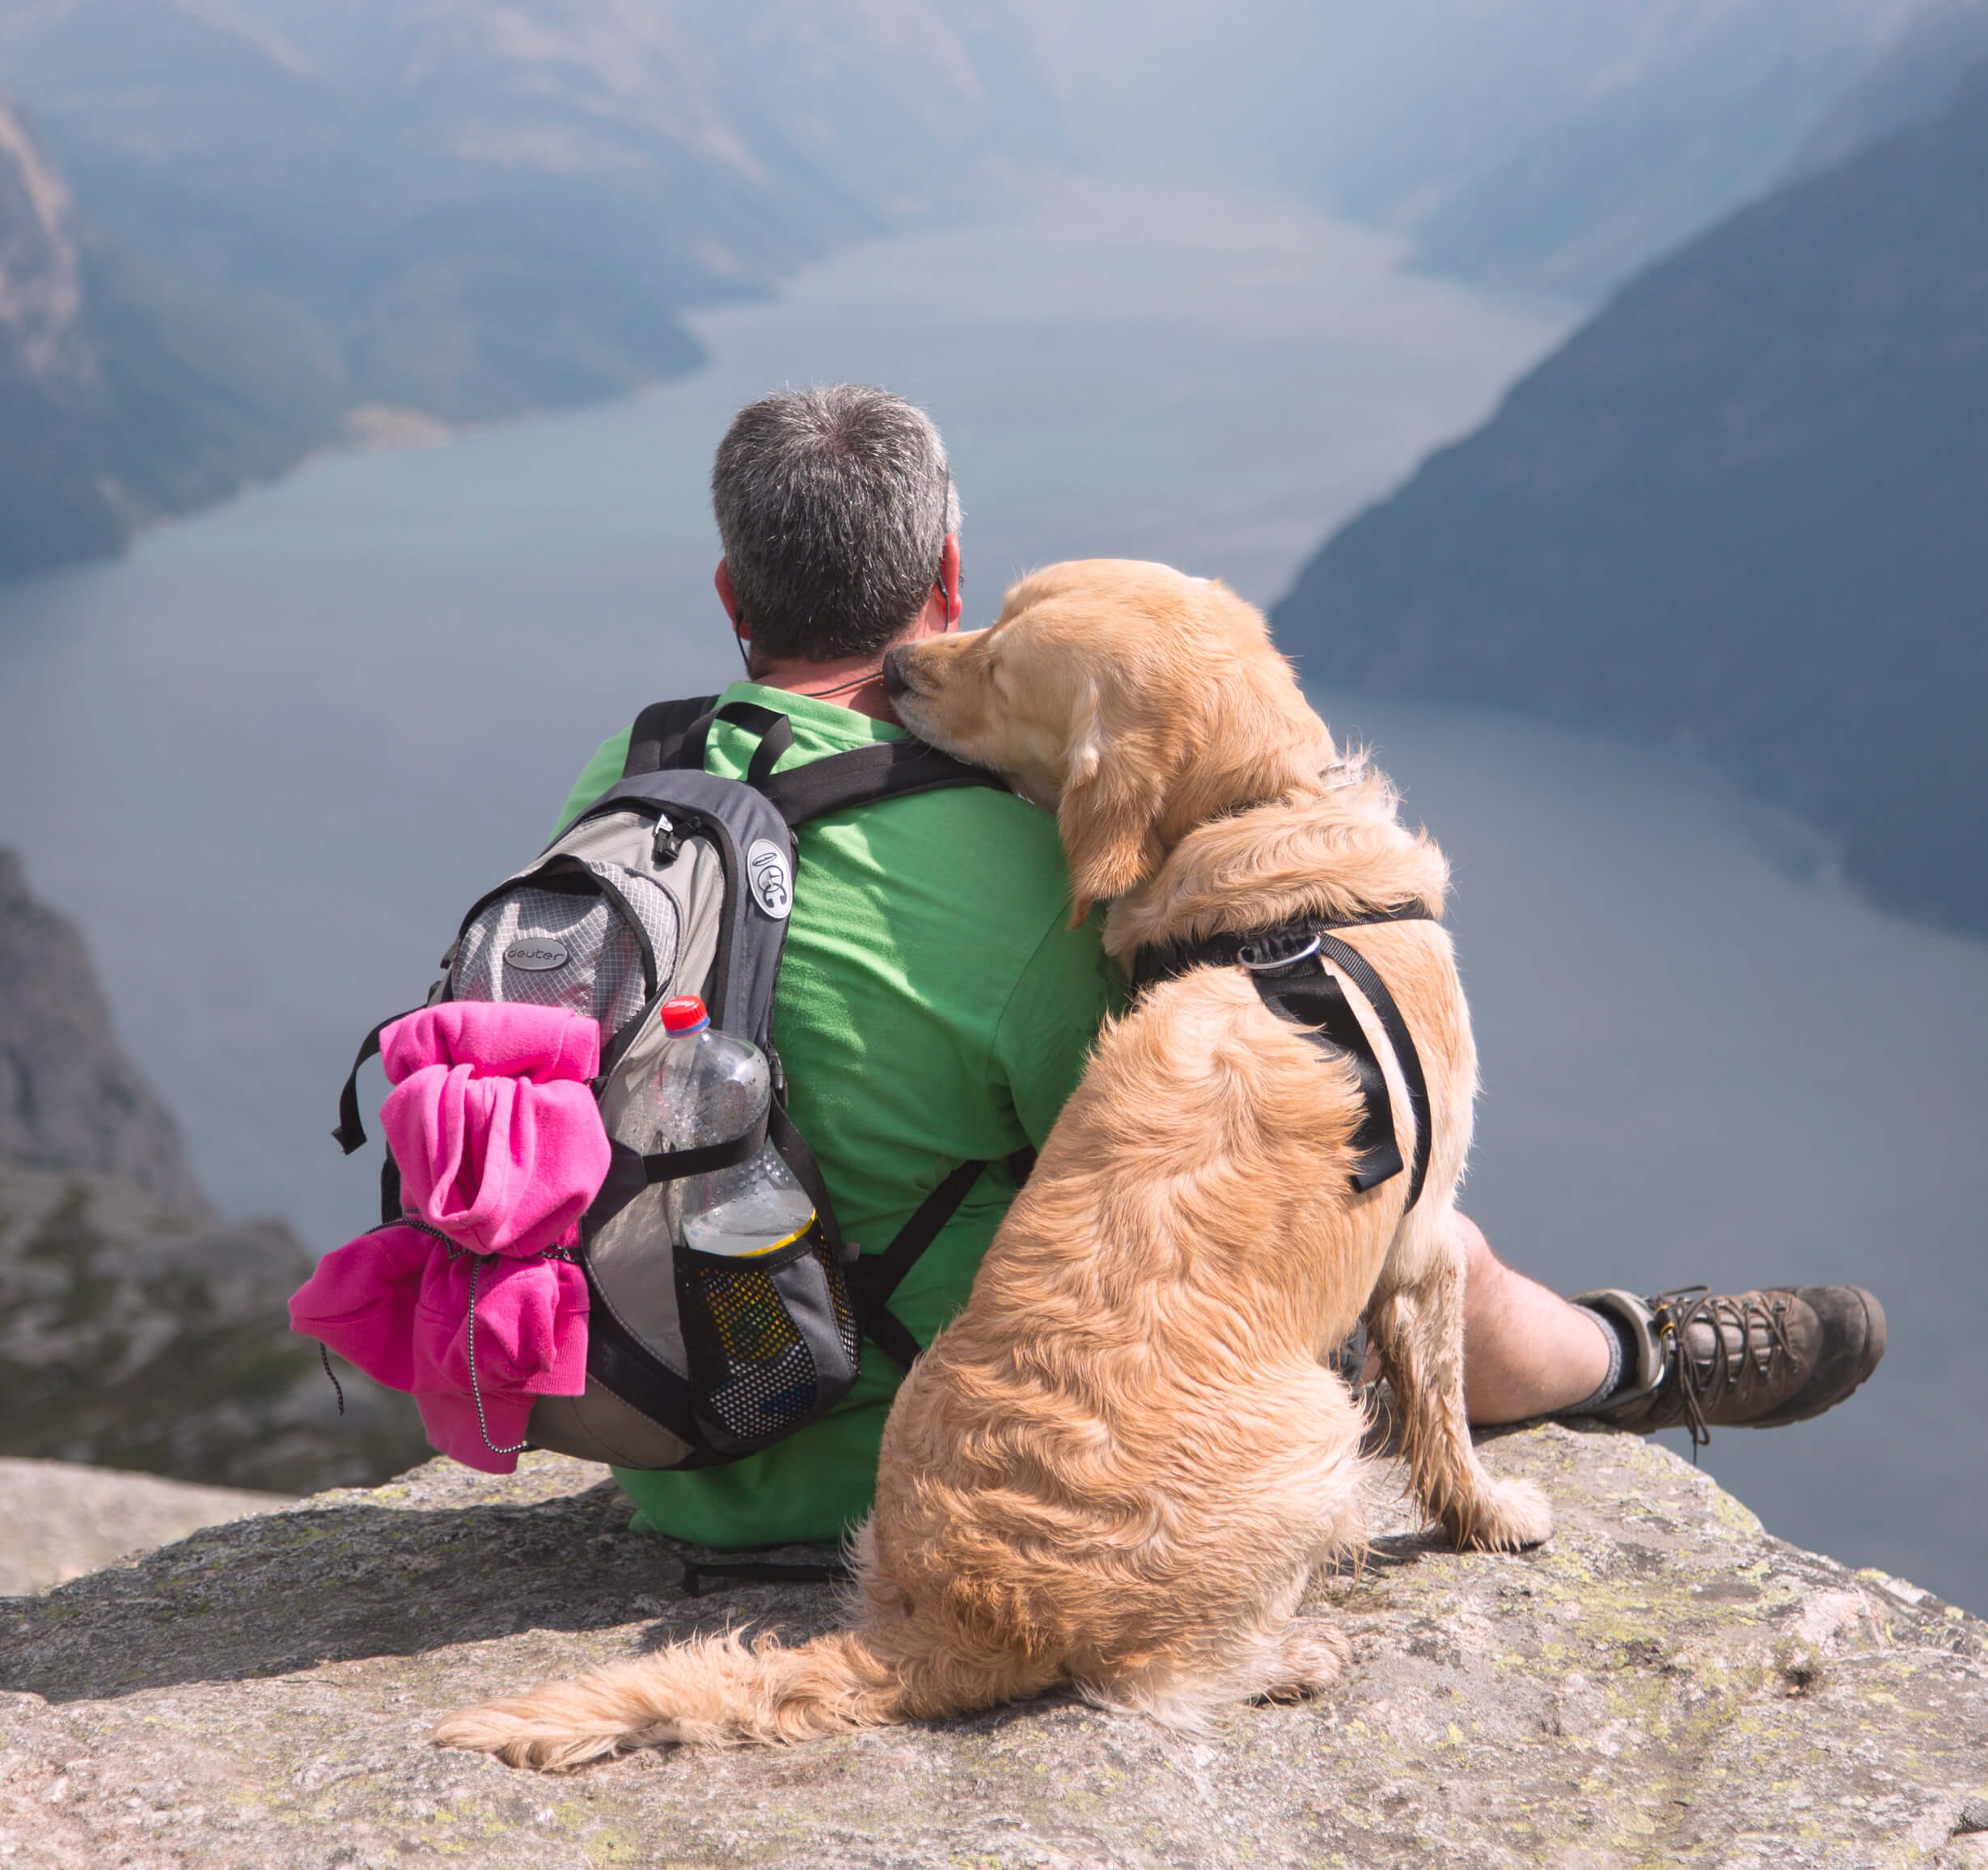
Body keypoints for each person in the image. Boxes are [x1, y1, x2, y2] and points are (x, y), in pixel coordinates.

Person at [553, 384, 1886, 1547]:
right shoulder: (1035, 874)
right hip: (972, 1474)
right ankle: (1630, 1361)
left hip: (674, 1439)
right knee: (1401, 1214)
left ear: (732, 597)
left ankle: (1625, 1353)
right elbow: (1191, 1180)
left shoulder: (619, 795)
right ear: (948, 576)